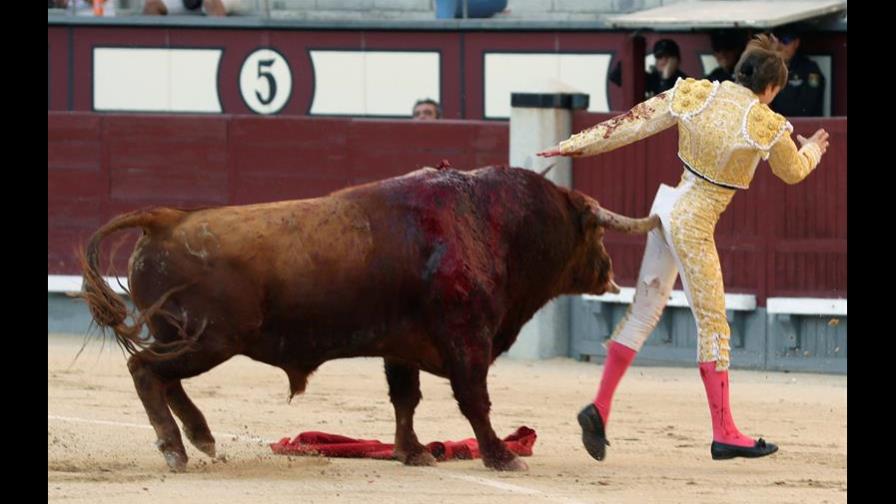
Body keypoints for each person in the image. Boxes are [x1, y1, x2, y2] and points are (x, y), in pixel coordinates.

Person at [537, 35, 829, 461]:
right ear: (769, 88)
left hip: (668, 207)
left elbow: (631, 123)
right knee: (714, 326)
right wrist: (813, 149)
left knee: (643, 312)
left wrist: (569, 146)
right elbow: (793, 172)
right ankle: (725, 432)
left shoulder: (697, 93)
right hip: (693, 224)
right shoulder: (763, 121)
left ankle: (600, 407)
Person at [769, 26, 825, 116]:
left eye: (785, 41)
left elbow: (806, 108)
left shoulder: (810, 69)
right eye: (777, 41)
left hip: (803, 123)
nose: (780, 46)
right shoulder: (769, 68)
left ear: (796, 43)